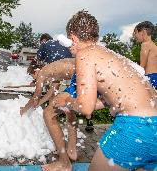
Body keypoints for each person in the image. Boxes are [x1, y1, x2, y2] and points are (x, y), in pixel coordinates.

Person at [44, 10, 157, 171]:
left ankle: (64, 163)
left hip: (136, 127)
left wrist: (65, 100)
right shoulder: (113, 55)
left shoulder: (84, 54)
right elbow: (119, 96)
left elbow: (86, 108)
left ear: (73, 38)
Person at [133, 21, 157, 89]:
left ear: (143, 32)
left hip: (150, 77)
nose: (134, 35)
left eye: (136, 32)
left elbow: (141, 67)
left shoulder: (145, 45)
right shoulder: (153, 46)